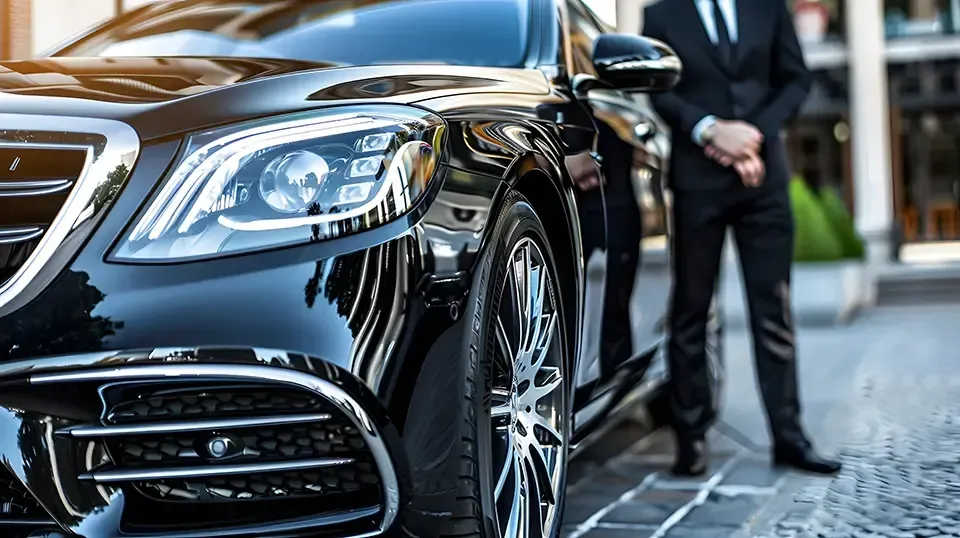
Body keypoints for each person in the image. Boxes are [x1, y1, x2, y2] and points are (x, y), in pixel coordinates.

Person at [641, 0, 842, 477]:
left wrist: (751, 135)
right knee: (691, 313)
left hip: (763, 180)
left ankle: (789, 438)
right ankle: (691, 440)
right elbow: (660, 92)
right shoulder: (660, 15)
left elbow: (796, 80)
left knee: (774, 312)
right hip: (697, 184)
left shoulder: (768, 8)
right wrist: (711, 130)